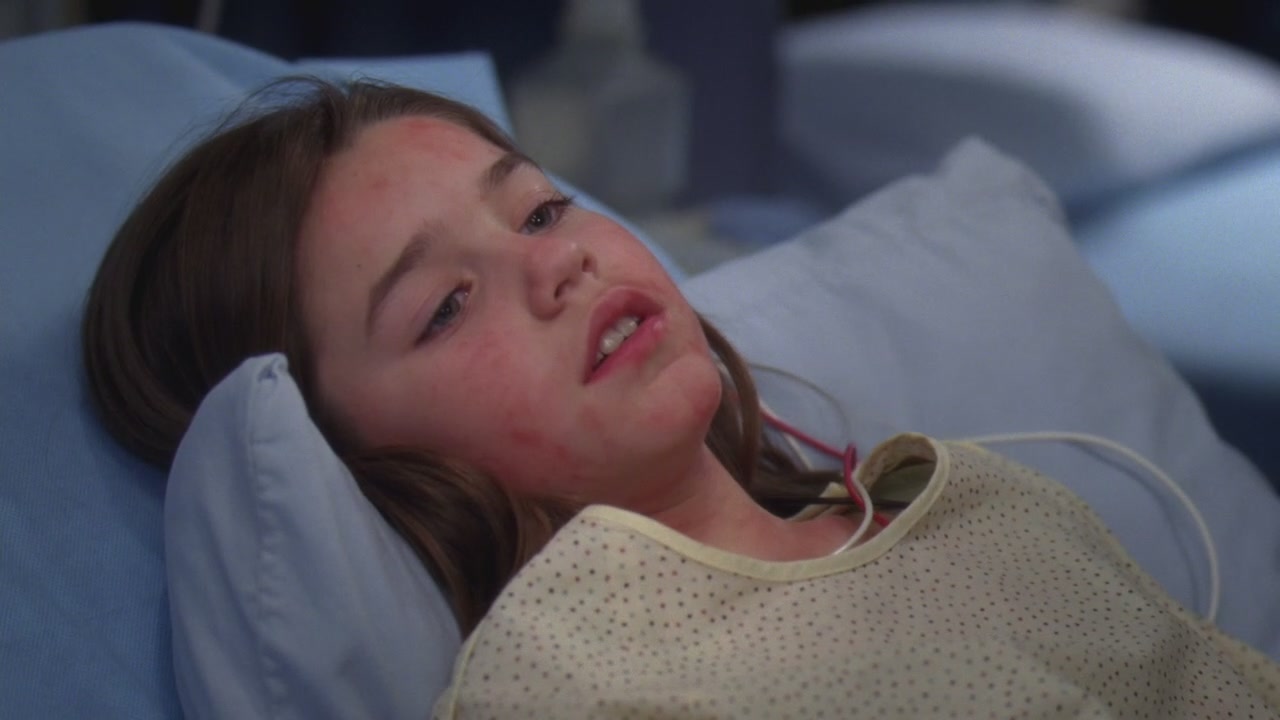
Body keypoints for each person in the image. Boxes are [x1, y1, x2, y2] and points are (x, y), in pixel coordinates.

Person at [82, 78, 1280, 718]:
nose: (557, 263)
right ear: (360, 465)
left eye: (539, 209)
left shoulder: (983, 506)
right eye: (443, 306)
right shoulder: (569, 685)